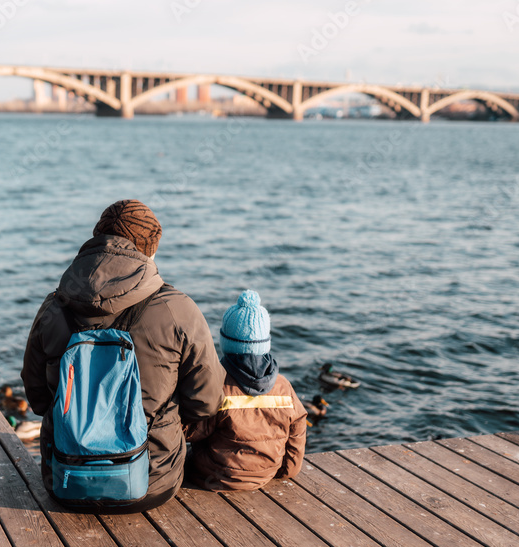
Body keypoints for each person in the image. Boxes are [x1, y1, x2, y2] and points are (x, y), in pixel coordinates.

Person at [22, 199, 225, 512]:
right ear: (151, 250)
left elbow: (37, 399)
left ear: (95, 240)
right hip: (151, 481)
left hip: (64, 479)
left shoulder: (53, 308)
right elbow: (206, 402)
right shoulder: (177, 309)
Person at [184, 290, 308, 491]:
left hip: (215, 475)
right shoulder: (284, 385)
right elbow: (298, 427)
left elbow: (192, 432)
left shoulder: (217, 384)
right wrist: (287, 470)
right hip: (266, 473)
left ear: (226, 343)